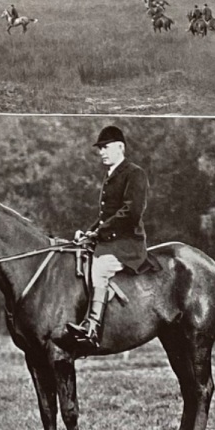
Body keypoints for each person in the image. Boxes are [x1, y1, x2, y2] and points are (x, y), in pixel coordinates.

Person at [66, 125, 150, 349]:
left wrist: (100, 232)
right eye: (99, 149)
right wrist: (88, 232)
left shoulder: (134, 173)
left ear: (120, 147)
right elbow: (106, 216)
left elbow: (130, 212)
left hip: (127, 242)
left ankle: (91, 327)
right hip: (110, 239)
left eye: (105, 147)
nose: (101, 152)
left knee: (100, 267)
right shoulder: (110, 175)